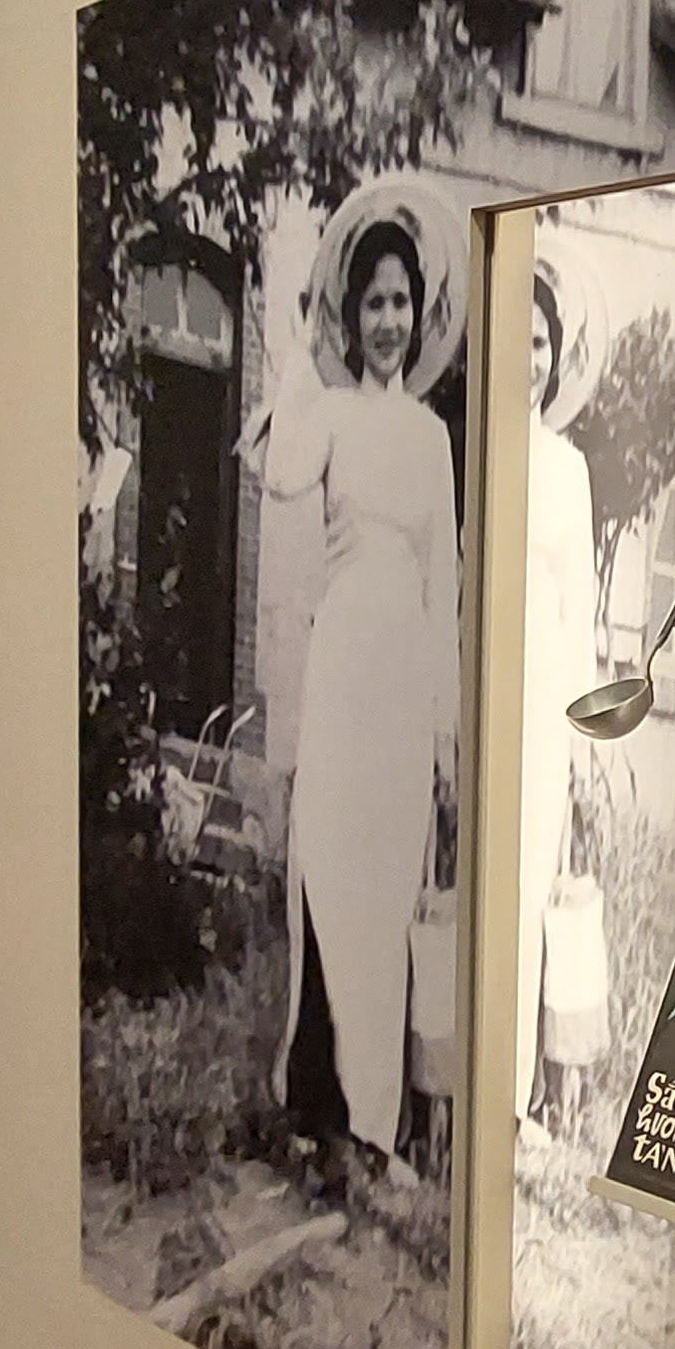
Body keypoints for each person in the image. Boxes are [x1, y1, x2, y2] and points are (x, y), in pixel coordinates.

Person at [258, 211, 460, 1185]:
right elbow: (279, 472)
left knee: (386, 886)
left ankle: (377, 1122)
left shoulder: (432, 436)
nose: (387, 320)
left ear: (420, 315)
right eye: (372, 302)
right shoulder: (332, 414)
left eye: (400, 302)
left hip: (404, 676)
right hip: (342, 666)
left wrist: (445, 731)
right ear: (352, 314)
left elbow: (444, 584)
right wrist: (304, 353)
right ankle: (314, 1108)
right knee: (328, 866)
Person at [517, 266, 600, 1124]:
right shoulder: (476, 455)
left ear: (556, 355)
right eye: (515, 342)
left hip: (543, 710)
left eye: (538, 343)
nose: (527, 360)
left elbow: (581, 615)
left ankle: (516, 1099)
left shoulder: (568, 471)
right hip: (481, 698)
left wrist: (579, 740)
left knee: (532, 893)